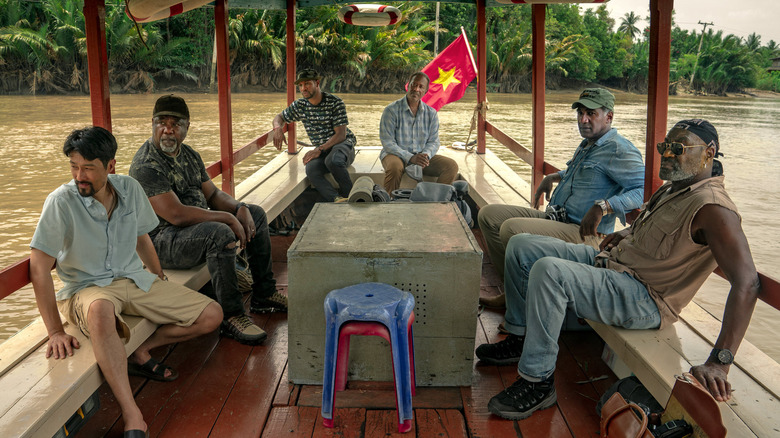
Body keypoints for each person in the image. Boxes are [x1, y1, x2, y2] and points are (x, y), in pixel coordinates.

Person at [475, 119, 759, 421]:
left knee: (549, 271)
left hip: (644, 297)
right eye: (665, 147)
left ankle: (537, 382)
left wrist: (721, 361)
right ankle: (520, 336)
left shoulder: (714, 208)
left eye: (679, 148)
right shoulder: (677, 188)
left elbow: (748, 283)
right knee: (522, 246)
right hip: (613, 266)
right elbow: (657, 229)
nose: (668, 154)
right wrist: (625, 233)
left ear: (709, 152)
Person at [30, 127, 223, 437]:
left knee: (212, 315)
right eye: (74, 166)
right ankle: (132, 412)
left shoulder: (130, 188)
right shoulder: (61, 202)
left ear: (110, 166)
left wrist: (158, 276)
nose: (80, 175)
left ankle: (140, 349)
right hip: (86, 288)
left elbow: (142, 237)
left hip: (133, 278)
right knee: (101, 310)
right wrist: (54, 330)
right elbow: (39, 267)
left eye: (88, 167)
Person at [129, 95, 286, 346]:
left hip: (192, 231)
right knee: (219, 233)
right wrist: (226, 218)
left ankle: (264, 294)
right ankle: (232, 316)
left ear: (187, 128)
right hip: (162, 241)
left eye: (176, 123)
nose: (168, 130)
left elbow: (211, 194)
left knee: (254, 213)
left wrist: (239, 207)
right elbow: (176, 215)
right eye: (162, 122)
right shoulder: (146, 164)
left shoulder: (189, 155)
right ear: (152, 124)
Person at [477, 88, 644, 308]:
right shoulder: (589, 143)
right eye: (580, 113)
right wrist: (555, 176)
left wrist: (604, 206)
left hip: (584, 233)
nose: (583, 120)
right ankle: (513, 291)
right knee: (489, 215)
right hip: (557, 219)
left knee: (510, 229)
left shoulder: (619, 150)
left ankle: (519, 302)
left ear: (609, 117)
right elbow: (587, 173)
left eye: (591, 114)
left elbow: (643, 190)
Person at [272, 68, 357, 201]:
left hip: (342, 145)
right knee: (311, 169)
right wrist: (277, 128)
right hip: (322, 149)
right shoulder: (300, 105)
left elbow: (341, 135)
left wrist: (319, 149)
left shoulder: (335, 102)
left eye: (307, 84)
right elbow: (279, 117)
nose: (303, 88)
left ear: (317, 83)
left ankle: (352, 196)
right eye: (300, 85)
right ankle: (336, 199)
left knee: (333, 161)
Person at [378, 72, 459, 194]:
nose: (416, 89)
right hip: (395, 154)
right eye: (413, 85)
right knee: (395, 167)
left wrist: (425, 156)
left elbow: (434, 141)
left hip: (420, 155)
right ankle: (389, 201)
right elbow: (387, 142)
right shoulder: (391, 110)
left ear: (425, 91)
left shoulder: (431, 113)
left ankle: (435, 199)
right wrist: (411, 157)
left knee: (451, 166)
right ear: (408, 86)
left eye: (421, 87)